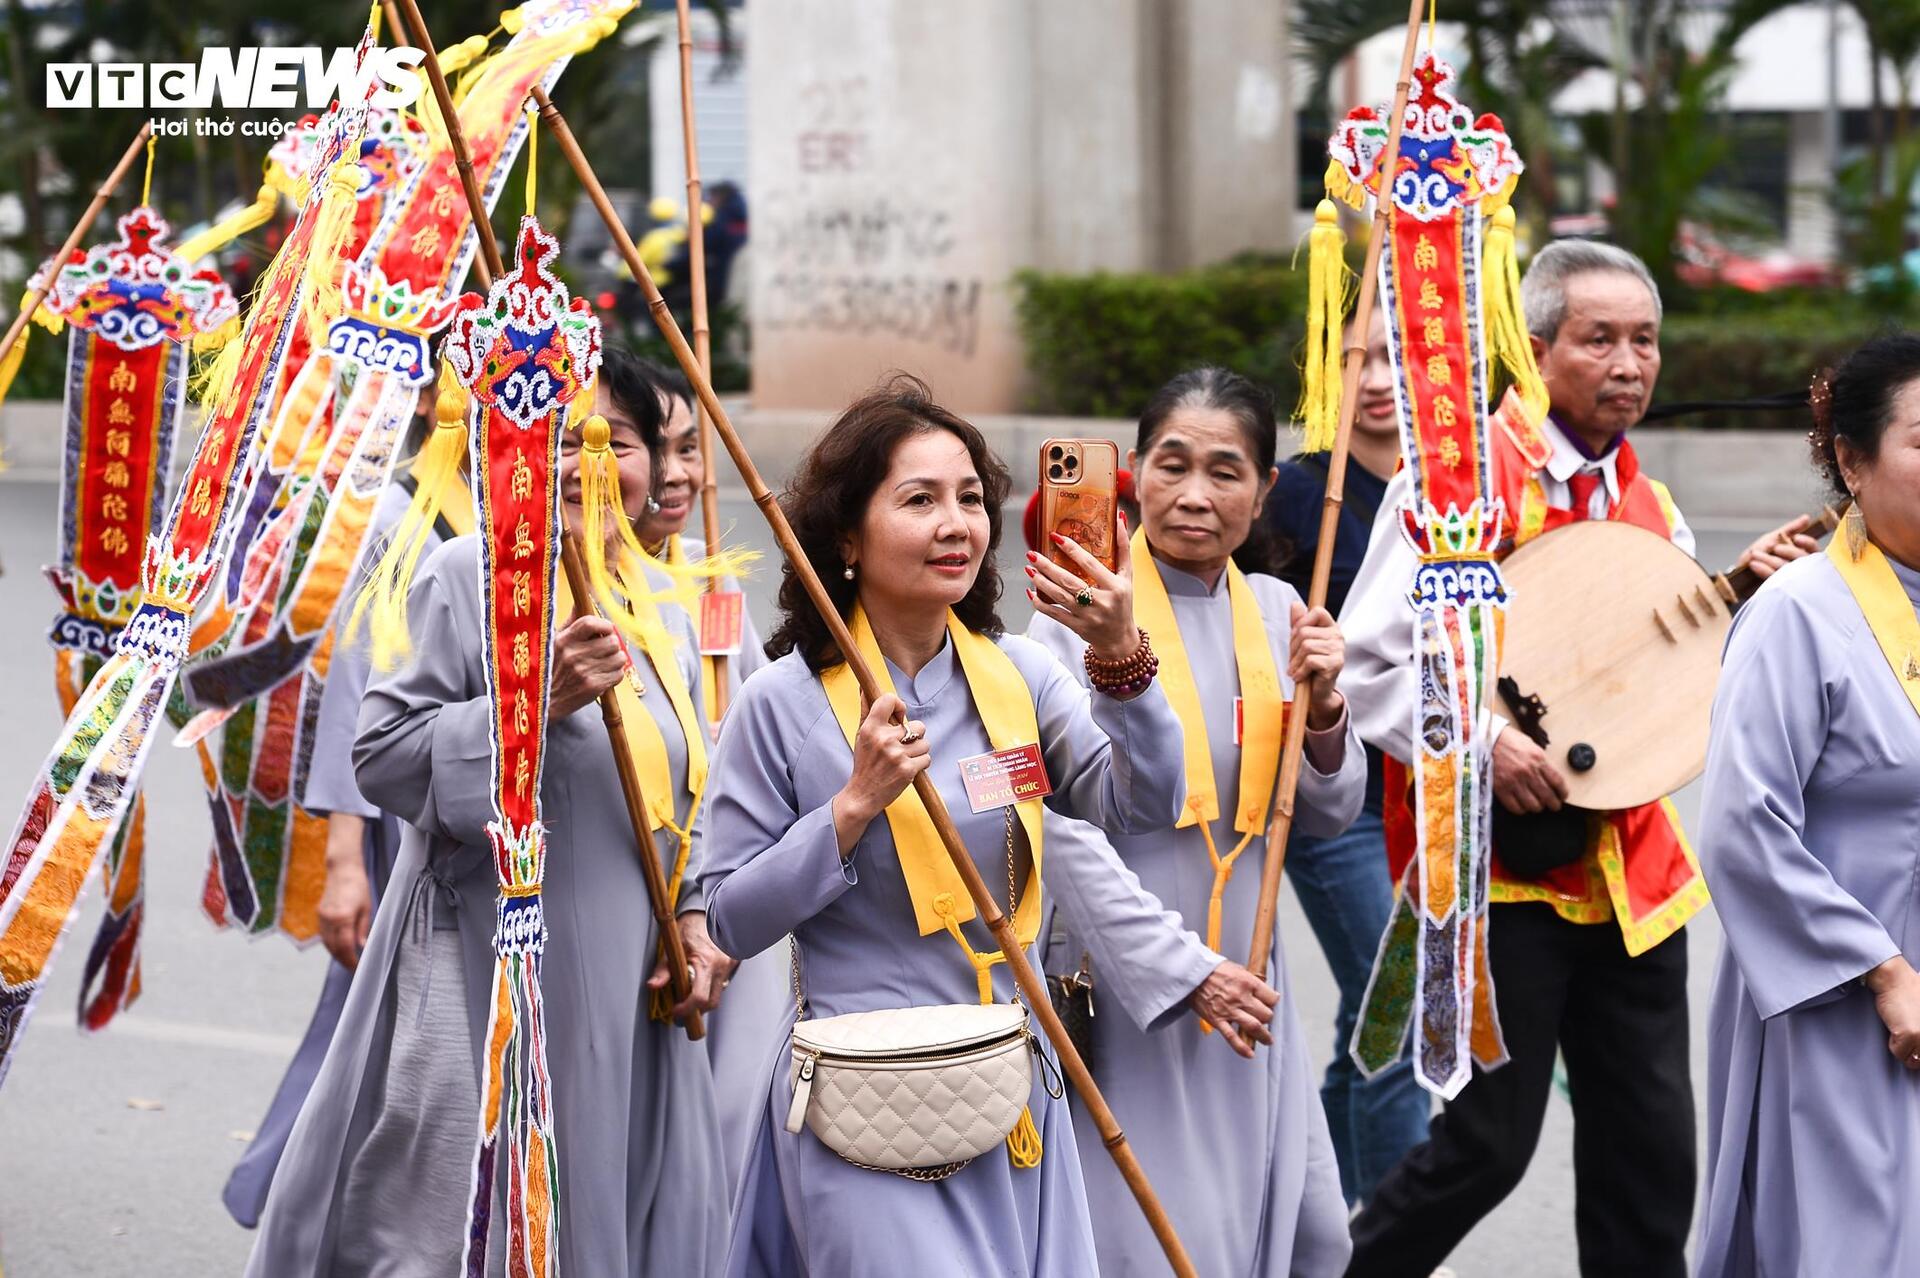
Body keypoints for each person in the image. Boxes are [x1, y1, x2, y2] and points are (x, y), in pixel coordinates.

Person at [699, 373, 1275, 1276]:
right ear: (846, 537)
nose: (956, 523)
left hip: (1009, 1086)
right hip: (865, 1091)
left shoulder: (1020, 678)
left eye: (970, 498)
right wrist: (852, 810)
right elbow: (729, 916)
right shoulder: (781, 701)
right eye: (919, 499)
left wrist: (1121, 660)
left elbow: (1140, 802)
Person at [1341, 240, 1817, 1277]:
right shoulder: (1456, 481)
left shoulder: (1648, 508)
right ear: (1538, 346)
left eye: (1645, 340)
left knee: (1651, 1160)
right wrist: (1485, 742)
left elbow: (1659, 687)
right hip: (1495, 874)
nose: (1630, 363)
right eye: (1599, 339)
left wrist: (1744, 588)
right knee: (1484, 1149)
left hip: (1633, 872)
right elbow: (1370, 659)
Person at [245, 346, 733, 1275]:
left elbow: (686, 789)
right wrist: (531, 702)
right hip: (497, 960)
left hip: (637, 974)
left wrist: (697, 918)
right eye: (554, 440)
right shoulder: (470, 574)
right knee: (488, 1213)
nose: (584, 464)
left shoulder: (661, 594)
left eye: (614, 442)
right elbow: (384, 754)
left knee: (625, 1205)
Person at [1028, 366, 1360, 1276]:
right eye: (1172, 466)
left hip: (1250, 981)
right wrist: (1183, 971)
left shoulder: (1278, 611)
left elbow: (1328, 813)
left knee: (1312, 1235)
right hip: (1130, 985)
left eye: (1226, 471)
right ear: (1133, 473)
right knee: (1162, 1244)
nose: (1195, 495)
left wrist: (1326, 708)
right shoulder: (1070, 619)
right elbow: (1053, 830)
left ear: (1265, 491)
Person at [1694, 333, 1920, 1278]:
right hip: (1844, 996)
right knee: (1852, 1243)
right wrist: (1881, 972)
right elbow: (1743, 825)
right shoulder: (1797, 611)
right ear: (1853, 462)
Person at [222, 382, 461, 1228]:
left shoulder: (525, 505)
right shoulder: (397, 517)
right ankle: (289, 1196)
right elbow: (355, 683)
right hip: (403, 813)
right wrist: (345, 860)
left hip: (474, 810)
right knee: (364, 1025)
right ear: (433, 399)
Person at [1263, 307, 1430, 1207]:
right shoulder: (1296, 493)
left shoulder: (1453, 492)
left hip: (1429, 790)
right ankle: (1403, 1237)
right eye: (1357, 358)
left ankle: (1316, 1218)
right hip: (1337, 793)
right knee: (1396, 1004)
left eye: (1398, 360)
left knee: (1367, 1023)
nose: (1374, 380)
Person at [629, 356, 783, 1189]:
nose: (681, 472)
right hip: (637, 903)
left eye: (692, 448)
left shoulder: (712, 579)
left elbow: (760, 733)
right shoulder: (578, 583)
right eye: (657, 449)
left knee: (728, 1135)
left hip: (727, 902)